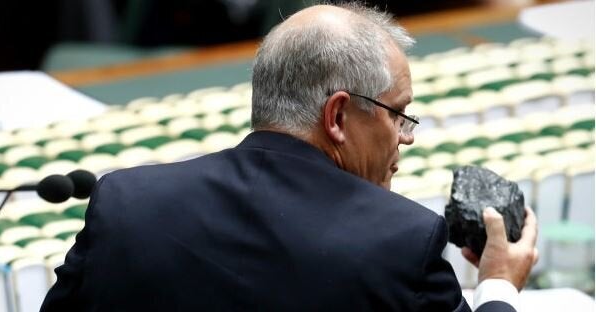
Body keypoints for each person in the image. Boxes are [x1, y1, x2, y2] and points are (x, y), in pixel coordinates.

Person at [41, 3, 538, 311]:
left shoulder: (126, 202)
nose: (404, 137)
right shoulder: (402, 244)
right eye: (398, 114)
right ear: (338, 116)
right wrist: (497, 286)